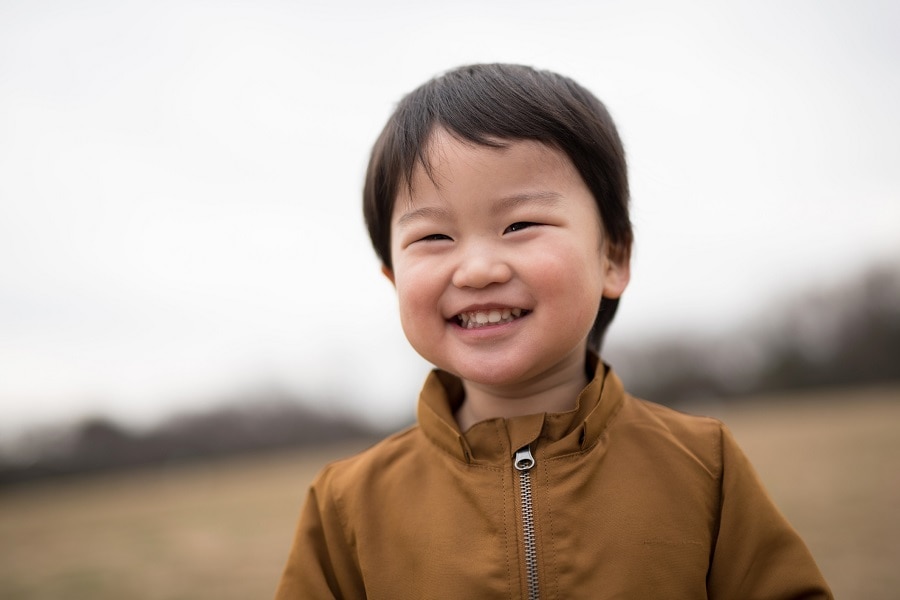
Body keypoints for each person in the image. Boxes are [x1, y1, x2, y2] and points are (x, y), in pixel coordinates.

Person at [275, 63, 832, 599]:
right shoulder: (346, 505)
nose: (477, 269)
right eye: (433, 238)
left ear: (612, 256)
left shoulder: (703, 465)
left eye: (520, 225)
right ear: (393, 279)